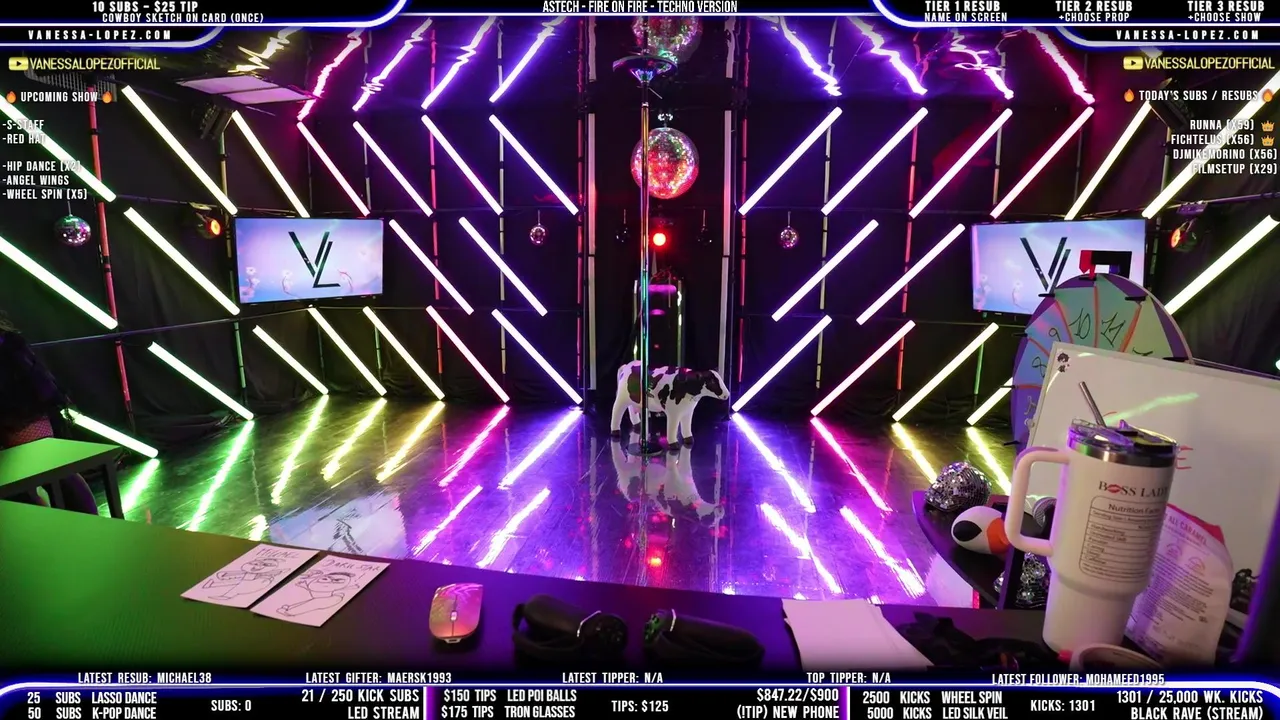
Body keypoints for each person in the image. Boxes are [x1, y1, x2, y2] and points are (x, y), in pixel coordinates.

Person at [0, 315, 99, 514]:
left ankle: (93, 525)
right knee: (18, 486)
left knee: (50, 468)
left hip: (13, 402)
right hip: (14, 399)